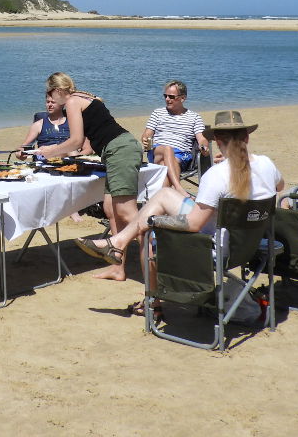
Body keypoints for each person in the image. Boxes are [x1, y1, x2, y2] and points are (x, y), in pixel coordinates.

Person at [76, 109, 284, 311]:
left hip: (217, 249)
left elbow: (194, 224)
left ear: (217, 140)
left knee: (147, 232)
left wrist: (154, 221)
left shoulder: (217, 175)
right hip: (250, 243)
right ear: (246, 138)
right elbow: (279, 186)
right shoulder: (266, 164)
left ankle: (152, 301)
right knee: (164, 195)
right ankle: (119, 242)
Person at [30, 72, 144, 281]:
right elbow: (91, 134)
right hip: (115, 151)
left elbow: (76, 140)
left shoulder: (72, 102)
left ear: (57, 90)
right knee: (111, 210)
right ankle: (118, 268)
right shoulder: (84, 96)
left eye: (49, 92)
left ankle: (155, 269)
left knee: (128, 214)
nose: (49, 97)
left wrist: (50, 151)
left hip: (120, 150)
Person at [142, 80, 209, 189]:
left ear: (182, 98)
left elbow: (201, 138)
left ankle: (164, 196)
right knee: (167, 149)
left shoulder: (194, 117)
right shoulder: (157, 113)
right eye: (165, 96)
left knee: (165, 165)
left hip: (181, 155)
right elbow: (147, 134)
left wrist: (204, 146)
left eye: (171, 97)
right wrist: (145, 139)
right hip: (157, 152)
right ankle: (179, 189)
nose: (167, 99)